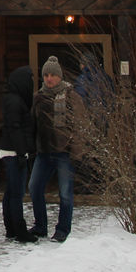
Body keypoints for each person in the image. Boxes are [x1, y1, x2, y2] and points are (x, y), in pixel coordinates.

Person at [29, 55, 85, 242]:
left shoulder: (71, 96)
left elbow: (80, 124)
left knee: (65, 193)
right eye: (46, 75)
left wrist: (77, 150)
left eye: (53, 75)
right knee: (34, 188)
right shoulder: (38, 97)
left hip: (64, 151)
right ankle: (40, 226)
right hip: (43, 151)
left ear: (59, 76)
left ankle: (63, 229)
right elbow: (33, 124)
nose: (49, 79)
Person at [0, 65, 38, 244]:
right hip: (14, 152)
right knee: (16, 193)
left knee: (11, 192)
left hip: (11, 150)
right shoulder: (15, 102)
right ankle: (19, 230)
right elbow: (16, 129)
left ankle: (11, 228)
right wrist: (22, 153)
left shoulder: (13, 100)